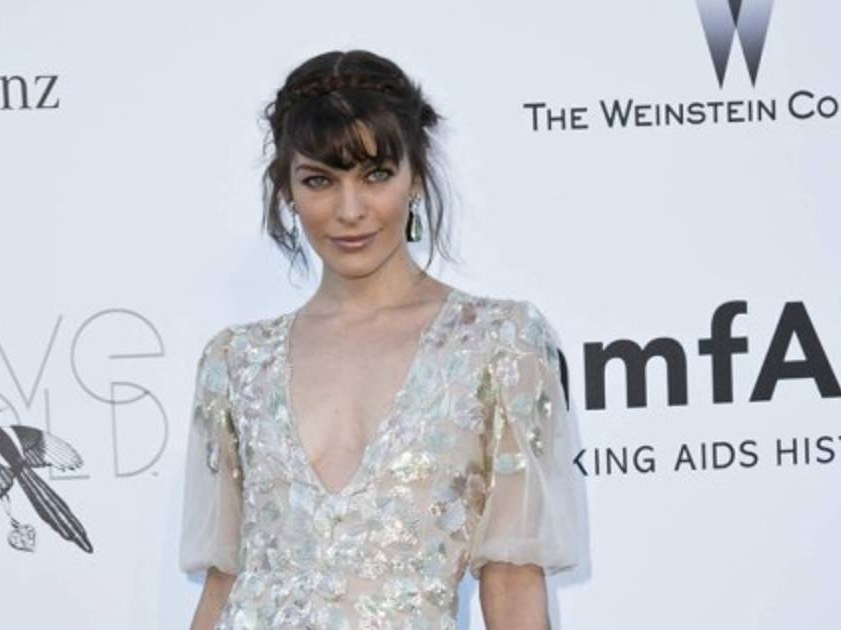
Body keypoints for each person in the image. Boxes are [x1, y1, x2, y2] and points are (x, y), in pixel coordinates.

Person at [180, 49, 585, 629]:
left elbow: (514, 583)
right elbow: (224, 584)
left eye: (375, 175)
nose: (350, 210)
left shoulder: (500, 345)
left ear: (415, 176)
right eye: (319, 180)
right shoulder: (235, 362)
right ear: (287, 192)